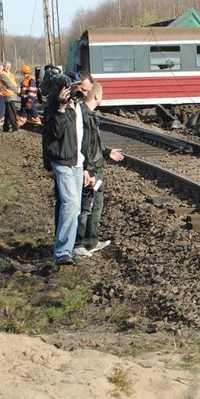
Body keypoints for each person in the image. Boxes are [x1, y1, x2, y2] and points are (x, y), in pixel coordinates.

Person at [73, 81, 124, 259]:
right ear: (96, 96)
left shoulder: (89, 115)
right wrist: (89, 170)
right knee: (87, 207)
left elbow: (91, 144)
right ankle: (80, 243)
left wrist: (106, 151)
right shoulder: (85, 116)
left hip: (94, 166)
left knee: (96, 205)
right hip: (91, 169)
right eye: (102, 93)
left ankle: (91, 241)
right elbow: (83, 145)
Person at [42, 74, 89, 265]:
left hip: (77, 162)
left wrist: (86, 166)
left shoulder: (77, 106)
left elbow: (82, 137)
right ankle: (62, 252)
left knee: (75, 207)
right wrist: (61, 107)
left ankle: (67, 249)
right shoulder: (53, 108)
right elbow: (53, 133)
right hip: (62, 161)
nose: (78, 91)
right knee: (70, 204)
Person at [0, 61, 21, 132]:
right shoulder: (3, 74)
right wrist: (16, 90)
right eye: (6, 66)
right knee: (12, 112)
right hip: (8, 95)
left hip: (11, 94)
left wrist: (18, 87)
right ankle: (15, 127)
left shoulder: (9, 74)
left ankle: (5, 127)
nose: (8, 67)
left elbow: (14, 82)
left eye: (9, 66)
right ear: (4, 66)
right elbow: (9, 84)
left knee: (8, 112)